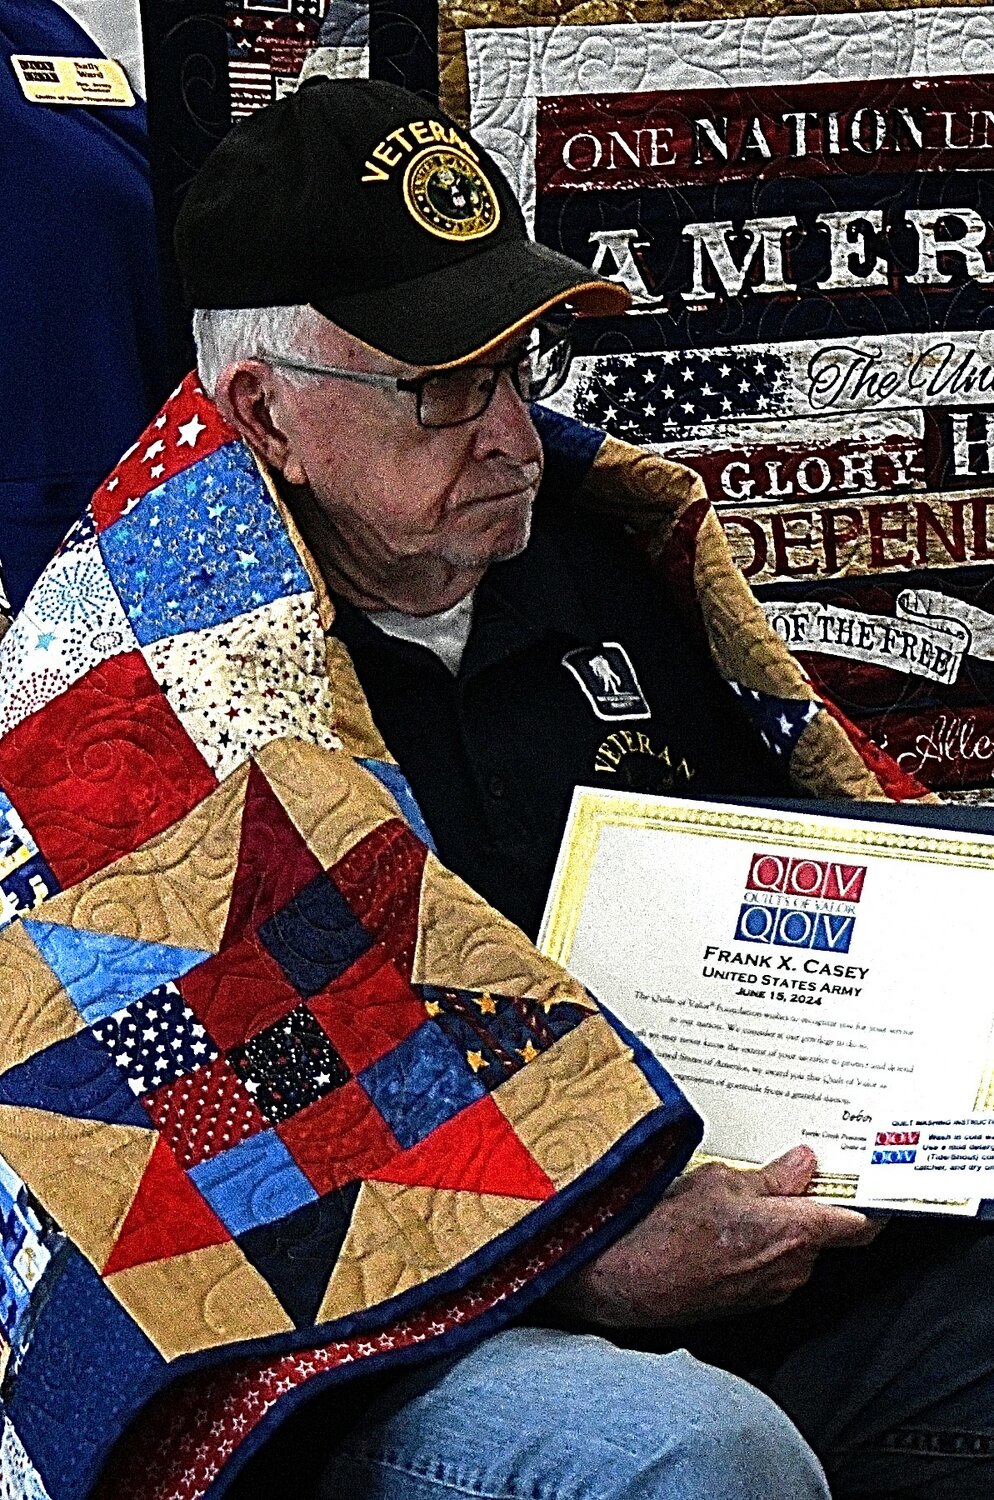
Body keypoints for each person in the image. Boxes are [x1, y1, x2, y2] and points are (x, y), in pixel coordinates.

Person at [167, 79, 994, 1500]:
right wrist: (586, 1265)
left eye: (519, 363)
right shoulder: (159, 687)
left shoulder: (618, 562)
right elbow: (208, 1149)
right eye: (443, 386)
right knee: (689, 1450)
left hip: (746, 1221)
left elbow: (812, 876)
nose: (508, 434)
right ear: (266, 413)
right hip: (405, 1330)